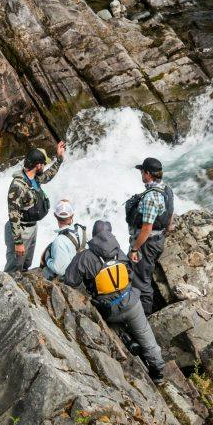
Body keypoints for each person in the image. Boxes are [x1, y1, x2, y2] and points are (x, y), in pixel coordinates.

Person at [64, 220, 165, 381]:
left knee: (106, 315)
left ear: (94, 236)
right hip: (132, 304)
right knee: (147, 337)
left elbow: (69, 281)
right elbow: (130, 276)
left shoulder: (85, 256)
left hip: (109, 311)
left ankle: (125, 338)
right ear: (111, 234)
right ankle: (157, 372)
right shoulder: (121, 254)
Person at [4, 141, 65, 273]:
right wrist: (18, 242)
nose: (45, 166)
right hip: (21, 231)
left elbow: (48, 176)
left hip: (32, 227)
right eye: (44, 164)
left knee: (26, 263)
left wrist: (59, 159)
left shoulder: (35, 178)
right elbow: (13, 215)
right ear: (38, 165)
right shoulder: (18, 186)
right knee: (14, 267)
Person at [124, 156, 174, 315]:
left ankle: (144, 316)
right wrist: (166, 229)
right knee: (144, 275)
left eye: (142, 172)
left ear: (148, 174)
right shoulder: (166, 188)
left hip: (148, 243)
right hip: (158, 239)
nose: (141, 175)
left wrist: (134, 249)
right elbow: (170, 212)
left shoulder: (151, 197)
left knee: (141, 280)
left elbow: (146, 229)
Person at [41, 200, 86, 279]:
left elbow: (60, 270)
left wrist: (47, 260)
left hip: (71, 276)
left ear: (55, 215)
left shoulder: (59, 241)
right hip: (83, 270)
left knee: (44, 271)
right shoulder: (81, 229)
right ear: (72, 215)